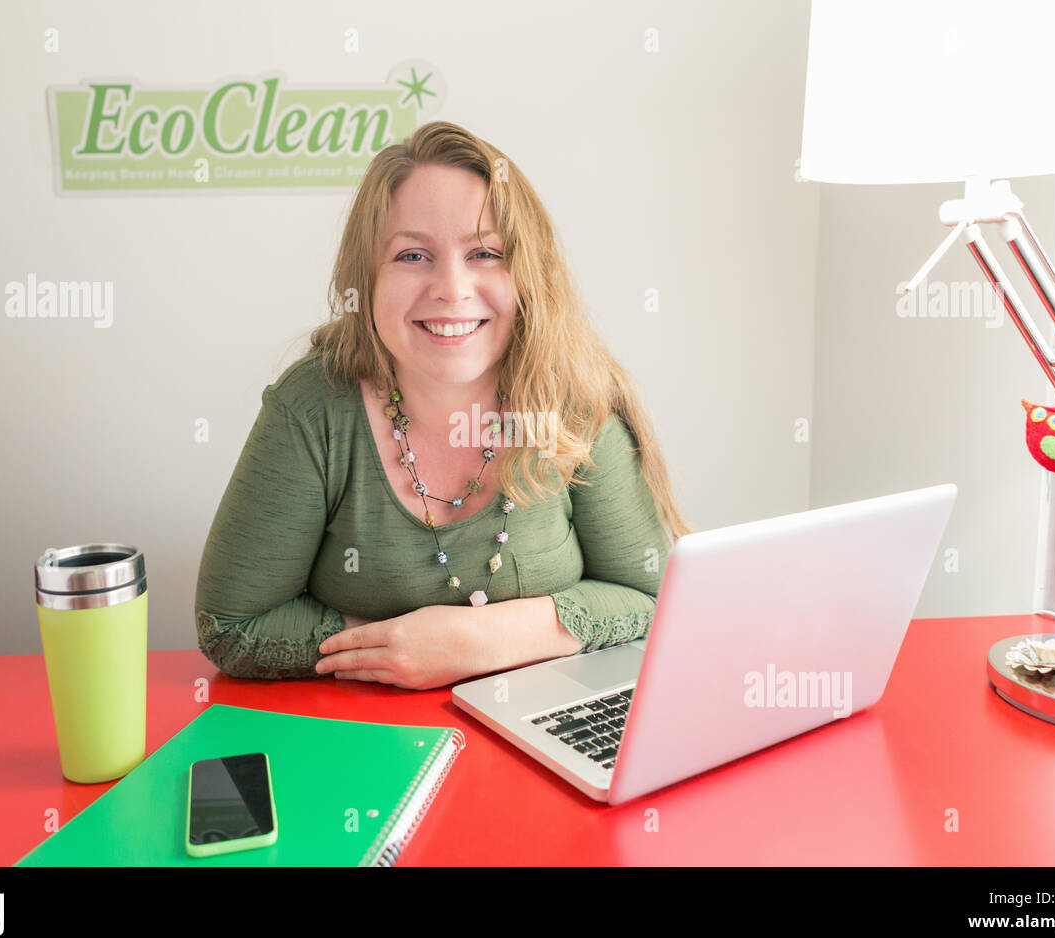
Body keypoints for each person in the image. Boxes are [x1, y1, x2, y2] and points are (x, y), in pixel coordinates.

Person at [194, 121, 692, 690]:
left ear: (526, 274)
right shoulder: (312, 408)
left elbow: (651, 596)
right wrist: (399, 650)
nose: (451, 288)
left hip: (544, 732)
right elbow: (231, 626)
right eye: (412, 255)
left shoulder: (575, 398)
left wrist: (475, 643)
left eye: (484, 252)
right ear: (366, 278)